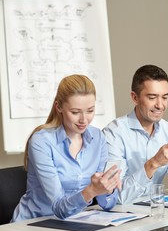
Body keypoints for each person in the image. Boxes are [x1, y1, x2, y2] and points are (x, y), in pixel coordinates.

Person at [12, 74, 122, 222]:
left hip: (73, 223)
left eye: (90, 110)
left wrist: (109, 188)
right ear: (59, 107)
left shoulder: (98, 138)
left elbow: (107, 204)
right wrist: (91, 191)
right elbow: (59, 208)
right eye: (75, 112)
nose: (84, 120)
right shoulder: (41, 141)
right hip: (34, 224)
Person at [102, 64, 168, 204]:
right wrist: (153, 164)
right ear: (134, 97)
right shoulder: (114, 133)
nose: (160, 105)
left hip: (156, 212)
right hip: (125, 217)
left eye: (165, 97)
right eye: (152, 97)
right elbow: (115, 196)